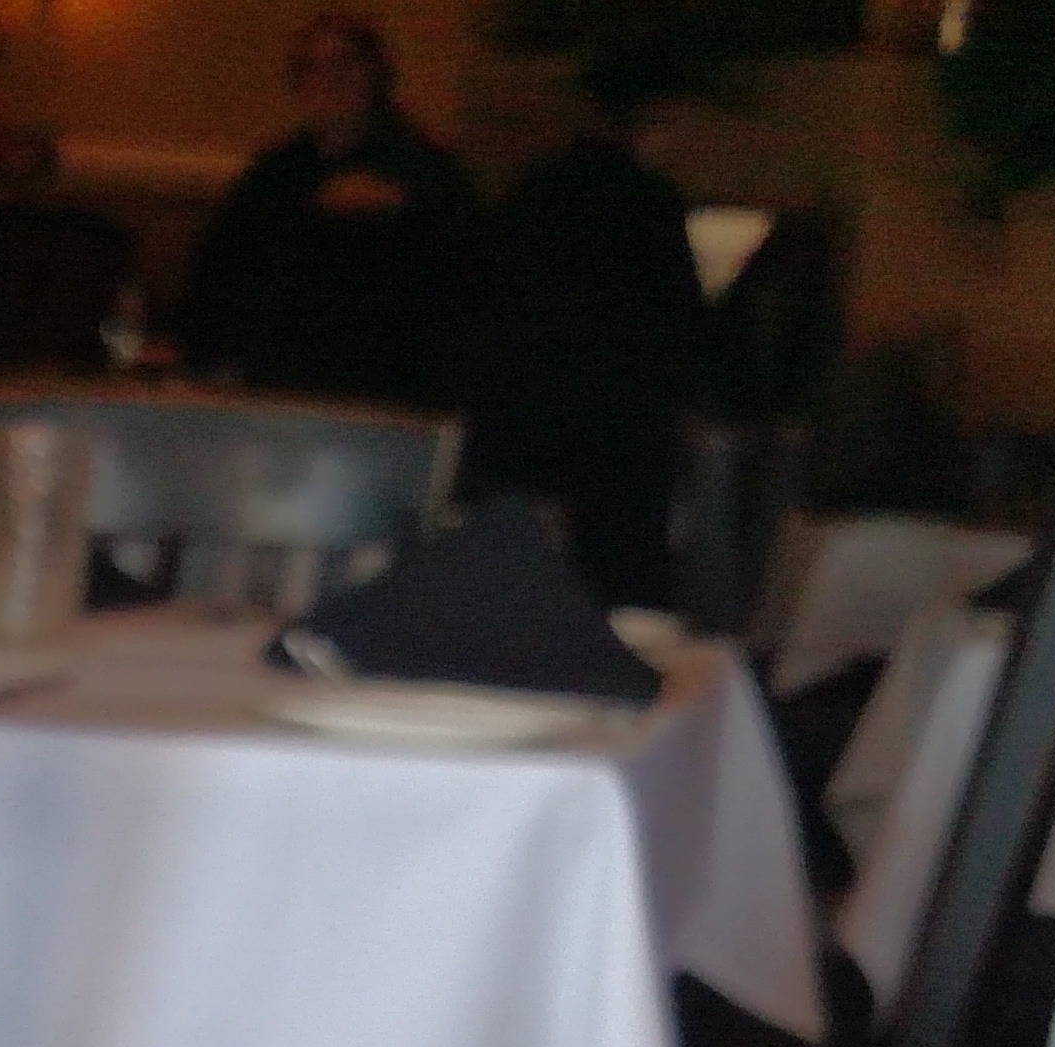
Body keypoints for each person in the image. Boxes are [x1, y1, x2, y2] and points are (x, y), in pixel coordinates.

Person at [460, 92, 716, 609]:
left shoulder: (533, 188)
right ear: (656, 123)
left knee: (513, 571)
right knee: (615, 575)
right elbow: (677, 317)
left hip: (521, 410)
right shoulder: (650, 200)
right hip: (617, 421)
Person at [170, 16, 477, 408]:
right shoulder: (276, 172)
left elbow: (456, 275)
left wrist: (402, 208)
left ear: (374, 74)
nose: (328, 80)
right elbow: (222, 270)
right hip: (278, 382)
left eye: (344, 65)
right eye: (312, 69)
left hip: (384, 388)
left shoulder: (423, 170)